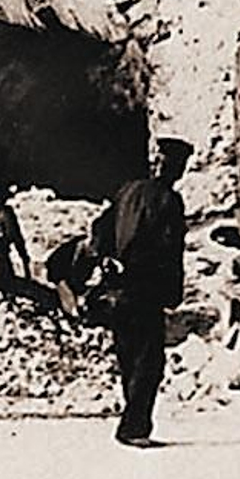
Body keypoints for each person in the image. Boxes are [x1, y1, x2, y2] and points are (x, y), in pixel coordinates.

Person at [91, 136, 192, 447]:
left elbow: (100, 228)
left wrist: (106, 259)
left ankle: (134, 423)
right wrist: (172, 292)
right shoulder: (169, 201)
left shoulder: (128, 191)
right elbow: (170, 249)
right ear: (176, 168)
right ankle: (133, 428)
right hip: (146, 289)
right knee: (150, 361)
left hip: (118, 289)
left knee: (129, 357)